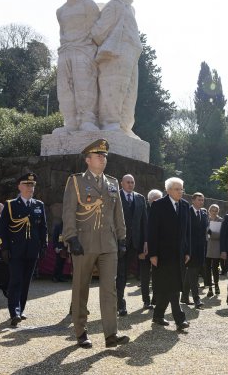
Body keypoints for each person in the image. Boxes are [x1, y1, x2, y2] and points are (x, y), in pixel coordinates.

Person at [61, 139, 129, 348]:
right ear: (88, 160)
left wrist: (122, 237)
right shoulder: (76, 181)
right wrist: (71, 238)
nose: (103, 158)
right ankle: (81, 331)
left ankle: (111, 334)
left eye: (105, 156)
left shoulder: (112, 182)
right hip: (84, 241)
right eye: (99, 156)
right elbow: (69, 211)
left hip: (108, 243)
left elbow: (119, 213)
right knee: (81, 288)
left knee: (110, 289)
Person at [91, 0, 143, 136]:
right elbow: (98, 32)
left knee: (129, 92)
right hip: (116, 54)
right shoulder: (114, 5)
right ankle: (110, 122)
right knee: (113, 88)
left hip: (131, 55)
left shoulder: (129, 9)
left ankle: (124, 126)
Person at [0, 173, 48, 326]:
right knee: (16, 280)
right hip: (15, 250)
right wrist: (4, 247)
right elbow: (2, 228)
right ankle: (14, 312)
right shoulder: (11, 205)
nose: (30, 188)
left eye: (32, 185)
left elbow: (43, 228)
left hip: (32, 250)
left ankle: (22, 308)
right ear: (19, 186)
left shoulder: (39, 205)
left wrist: (44, 246)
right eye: (26, 185)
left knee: (26, 281)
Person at [55, 0, 100, 133]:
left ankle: (87, 120)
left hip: (84, 50)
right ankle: (70, 122)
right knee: (64, 88)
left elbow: (97, 29)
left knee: (84, 86)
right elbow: (62, 32)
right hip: (65, 50)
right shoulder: (60, 11)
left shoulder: (89, 4)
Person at [147, 177, 191, 332]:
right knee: (172, 285)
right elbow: (152, 231)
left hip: (179, 254)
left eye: (181, 189)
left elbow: (187, 231)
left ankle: (158, 315)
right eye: (177, 189)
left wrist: (187, 251)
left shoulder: (185, 206)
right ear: (168, 190)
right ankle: (180, 319)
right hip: (163, 253)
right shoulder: (158, 205)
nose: (181, 192)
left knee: (169, 285)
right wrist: (152, 254)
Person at [117, 174, 148, 315]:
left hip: (134, 243)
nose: (130, 184)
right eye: (128, 182)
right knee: (120, 273)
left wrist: (145, 242)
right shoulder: (115, 197)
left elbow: (144, 223)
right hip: (117, 241)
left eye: (132, 182)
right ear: (121, 183)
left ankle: (119, 301)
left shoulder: (140, 198)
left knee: (126, 272)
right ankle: (120, 303)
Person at [181, 192, 208, 307]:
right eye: (199, 200)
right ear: (193, 200)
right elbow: (184, 232)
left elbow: (204, 232)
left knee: (190, 273)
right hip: (190, 249)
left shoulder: (204, 214)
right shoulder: (187, 212)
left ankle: (184, 297)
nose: (201, 202)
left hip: (200, 248)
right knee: (193, 273)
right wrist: (185, 249)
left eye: (202, 200)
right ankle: (196, 299)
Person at [205, 204, 223, 297]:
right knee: (207, 269)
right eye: (212, 210)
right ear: (209, 211)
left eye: (216, 210)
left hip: (216, 246)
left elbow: (222, 234)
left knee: (215, 268)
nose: (214, 212)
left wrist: (212, 233)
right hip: (207, 246)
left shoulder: (220, 220)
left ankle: (216, 285)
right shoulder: (205, 220)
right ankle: (210, 288)